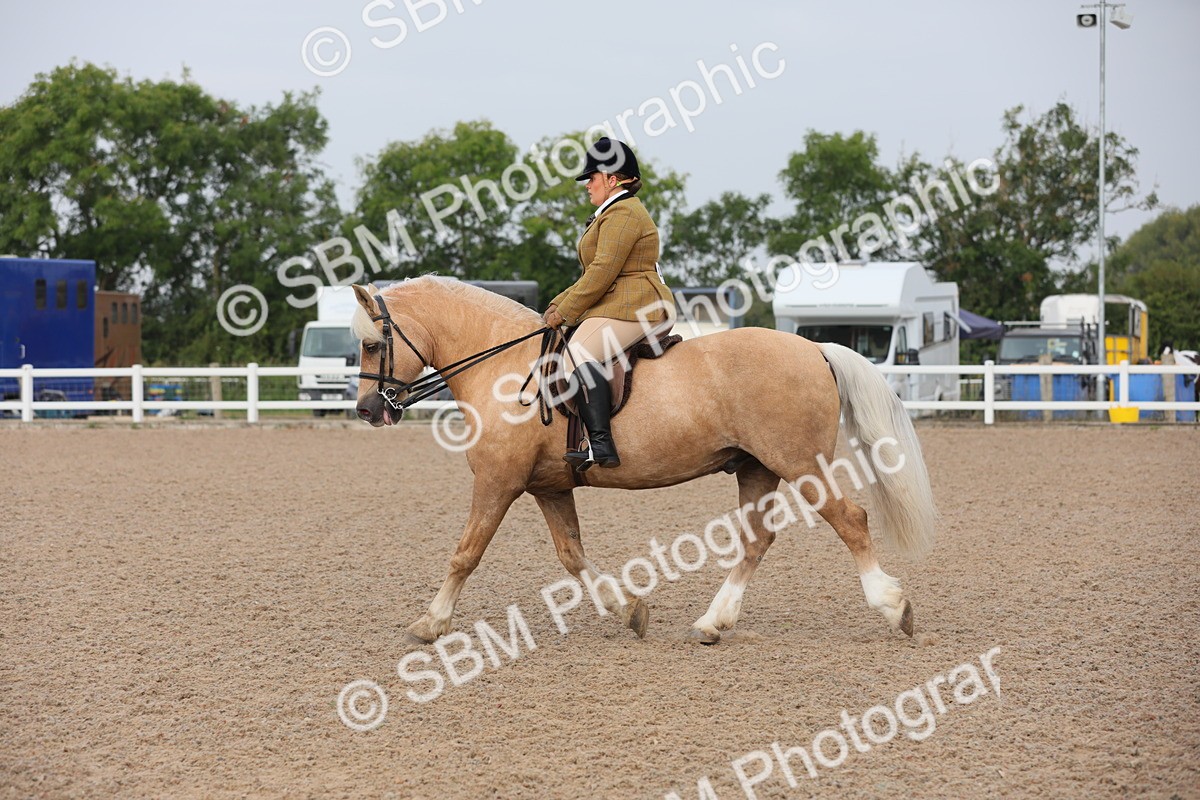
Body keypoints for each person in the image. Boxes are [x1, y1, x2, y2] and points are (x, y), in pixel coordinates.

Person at [542, 137, 675, 472]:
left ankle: (600, 445)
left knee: (578, 355)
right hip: (618, 303)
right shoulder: (610, 213)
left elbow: (602, 271)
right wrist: (557, 304)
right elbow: (594, 274)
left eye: (593, 178)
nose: (587, 185)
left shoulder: (624, 212)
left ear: (614, 179)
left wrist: (566, 311)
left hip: (637, 305)